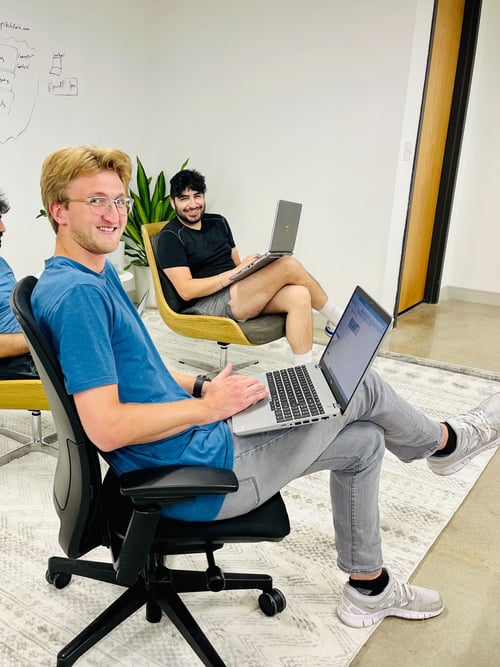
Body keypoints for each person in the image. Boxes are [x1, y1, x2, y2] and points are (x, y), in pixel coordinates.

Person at [32, 145, 500, 629]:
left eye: (120, 201)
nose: (113, 215)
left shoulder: (89, 274)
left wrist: (202, 385)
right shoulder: (80, 298)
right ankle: (448, 441)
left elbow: (140, 368)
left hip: (193, 443)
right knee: (359, 387)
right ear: (59, 210)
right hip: (198, 473)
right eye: (97, 202)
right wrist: (208, 409)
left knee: (363, 440)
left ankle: (369, 587)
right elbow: (106, 427)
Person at [156, 169, 343, 365]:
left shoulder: (218, 222)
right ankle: (338, 319)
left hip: (236, 292)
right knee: (287, 264)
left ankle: (303, 371)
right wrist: (236, 272)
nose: (193, 204)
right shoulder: (170, 238)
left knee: (300, 295)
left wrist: (253, 267)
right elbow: (186, 291)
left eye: (197, 196)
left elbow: (237, 265)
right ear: (173, 202)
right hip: (206, 304)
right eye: (184, 198)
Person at [0, 191, 38, 380]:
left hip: (28, 348)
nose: (3, 228)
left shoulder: (1, 263)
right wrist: (37, 340)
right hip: (15, 362)